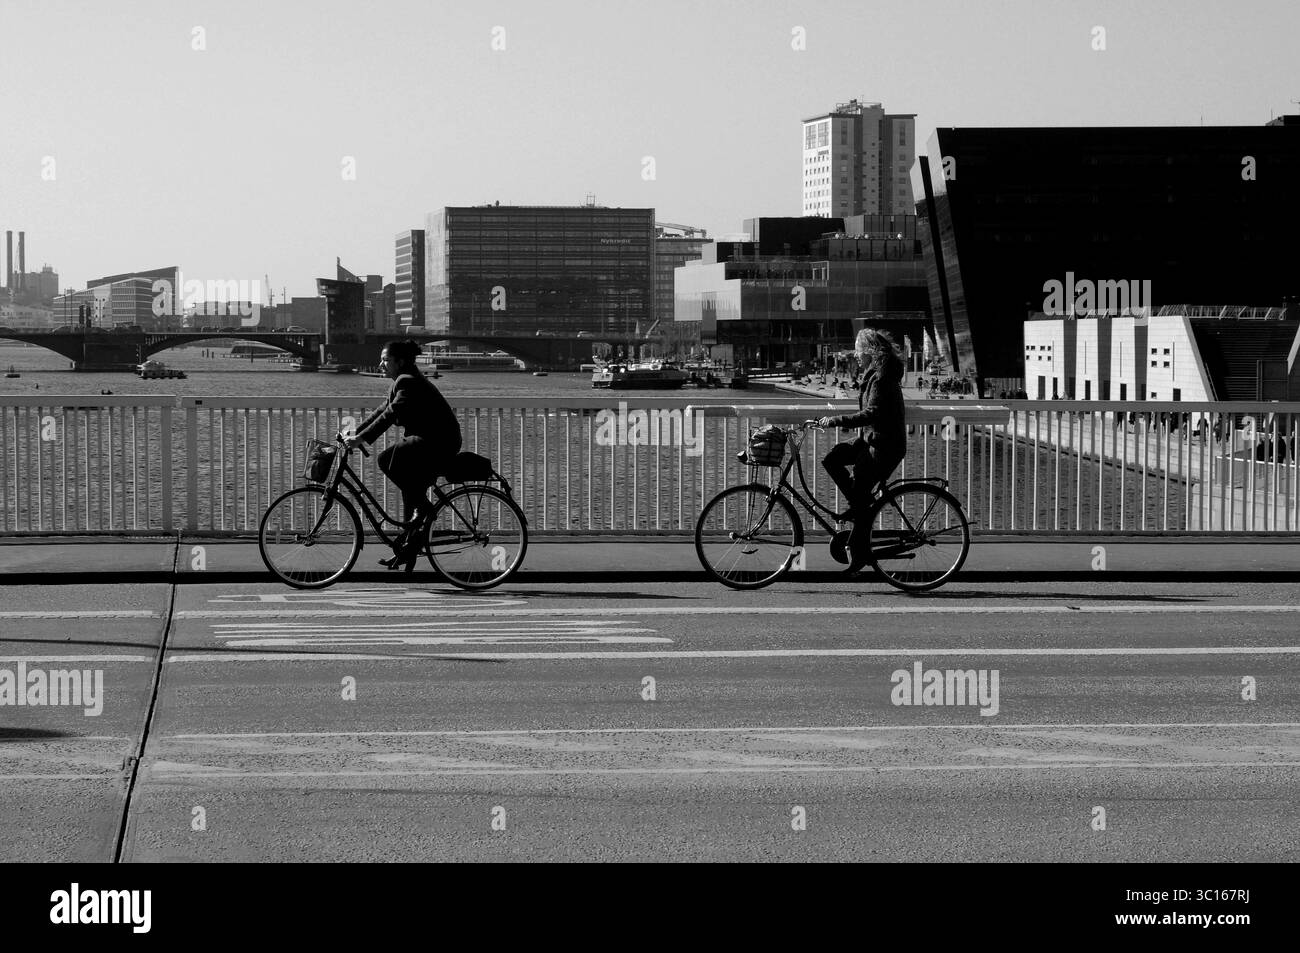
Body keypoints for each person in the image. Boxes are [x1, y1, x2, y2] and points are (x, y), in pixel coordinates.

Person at [345, 340, 462, 568]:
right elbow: (382, 410)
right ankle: (408, 547)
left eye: (386, 360)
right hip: (431, 440)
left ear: (401, 362)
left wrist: (362, 439)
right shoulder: (402, 381)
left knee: (387, 460)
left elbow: (391, 414)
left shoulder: (408, 382)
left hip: (438, 442)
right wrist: (353, 433)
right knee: (411, 492)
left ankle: (424, 509)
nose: (380, 364)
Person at [817, 328, 907, 574]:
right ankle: (861, 502)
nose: (855, 355)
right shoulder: (875, 374)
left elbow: (872, 413)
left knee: (860, 504)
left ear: (869, 351)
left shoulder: (880, 377)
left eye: (858, 350)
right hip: (872, 440)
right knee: (832, 458)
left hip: (884, 446)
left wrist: (837, 420)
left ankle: (859, 556)